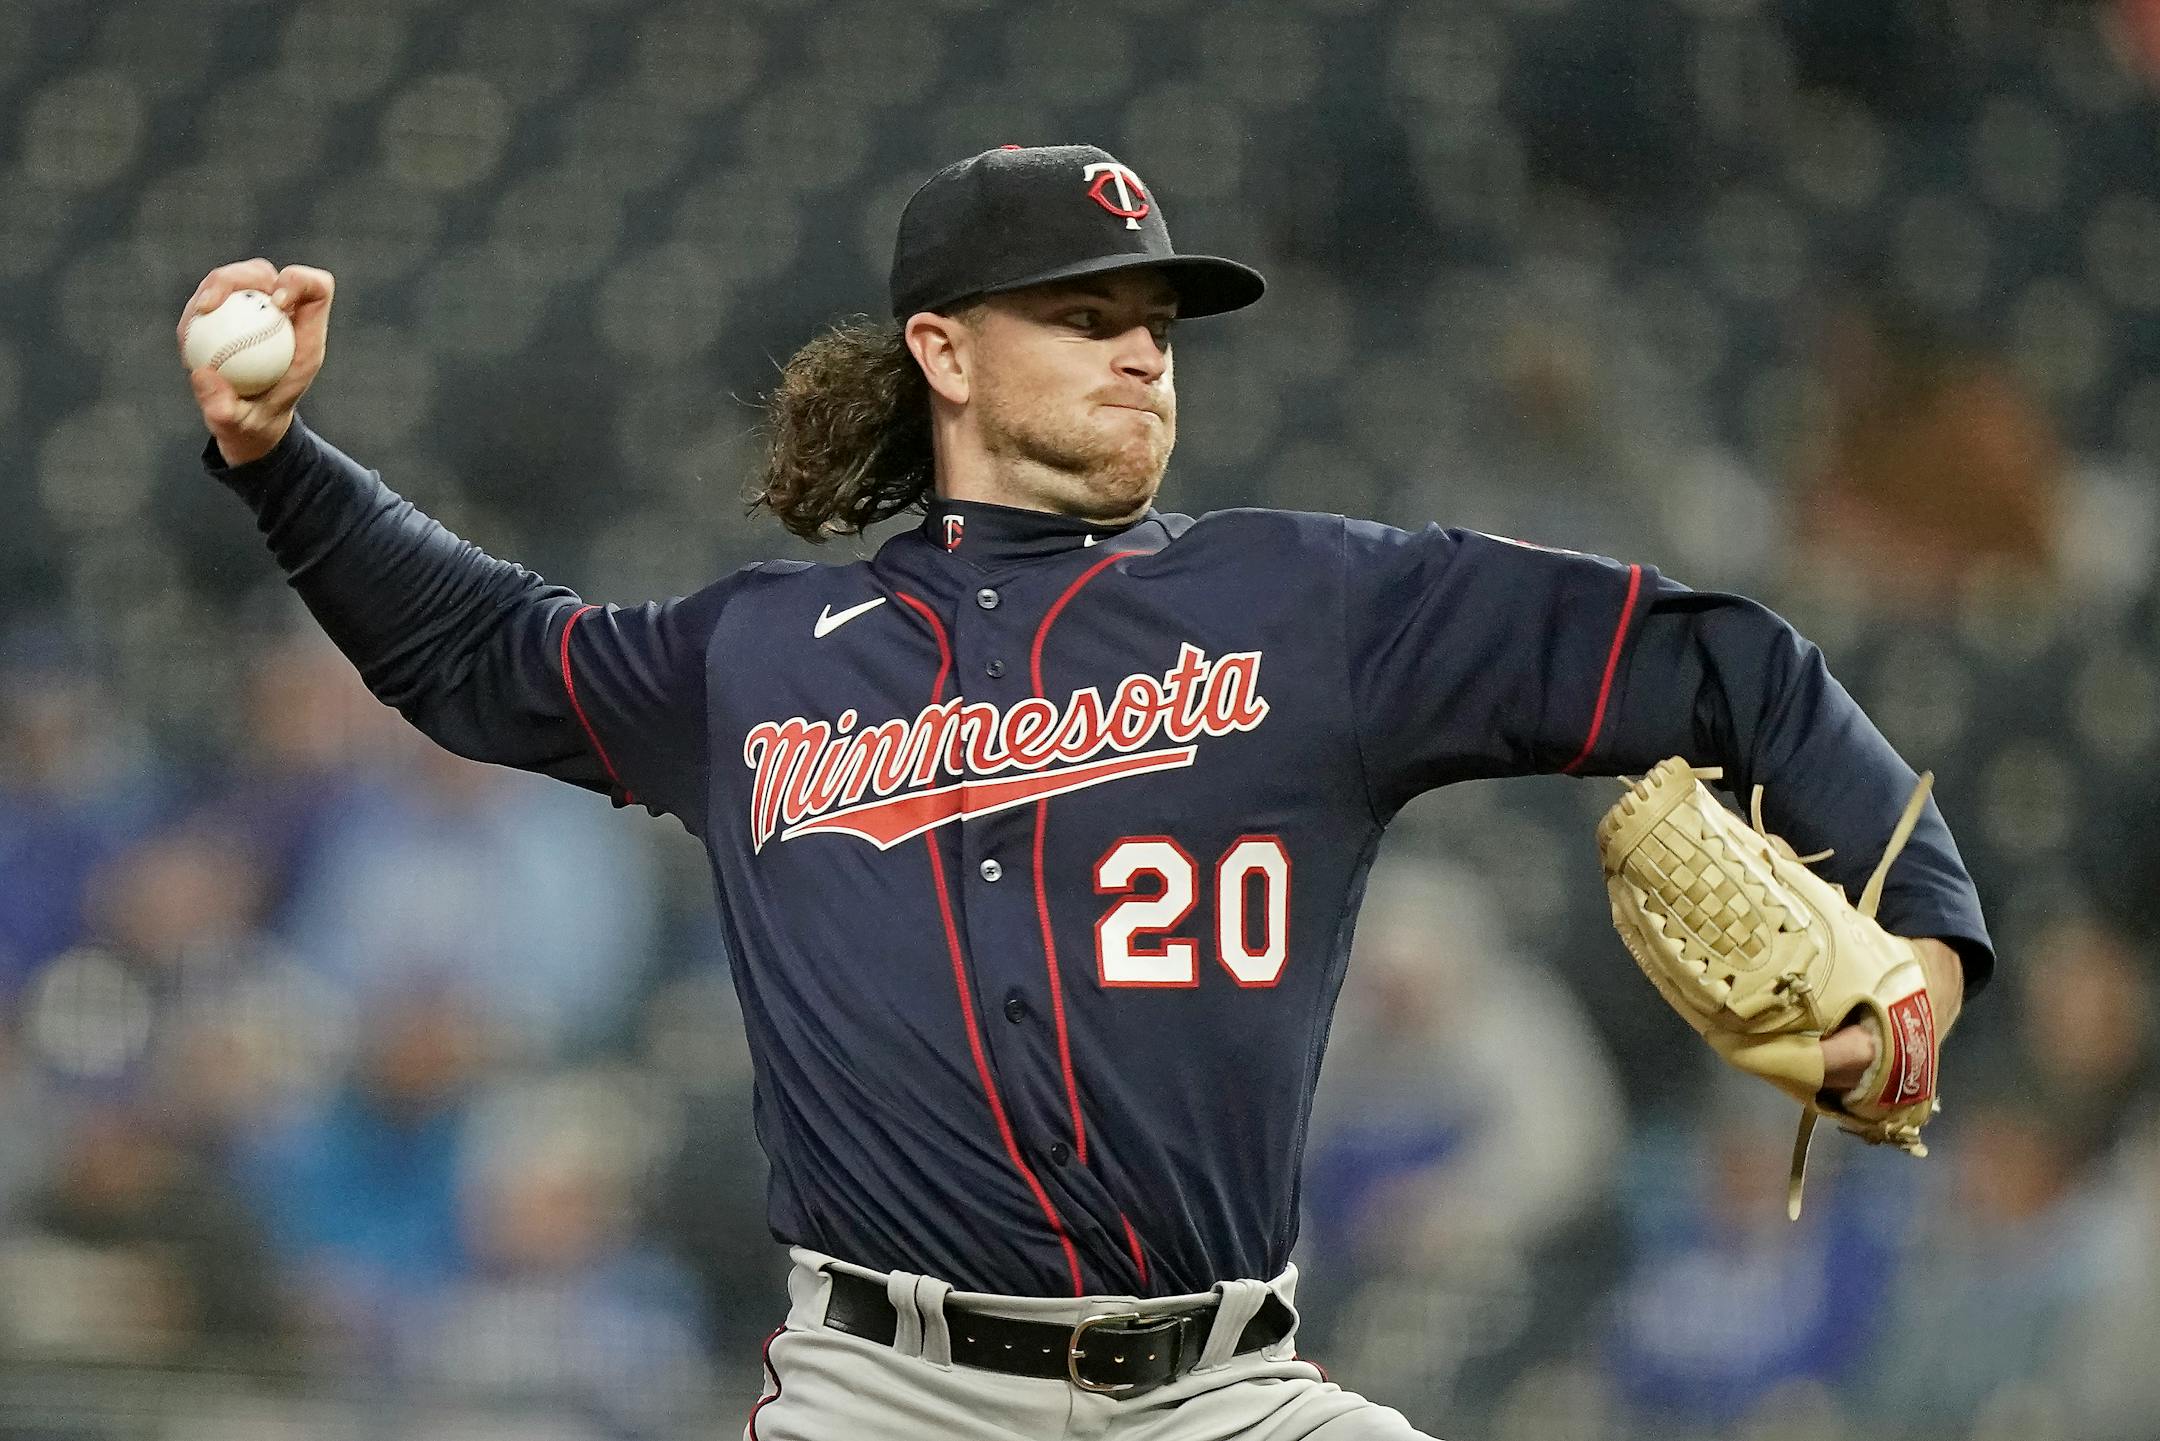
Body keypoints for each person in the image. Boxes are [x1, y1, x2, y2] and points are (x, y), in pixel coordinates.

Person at [179, 144, 1989, 1441]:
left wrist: (1925, 949)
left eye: (1157, 321)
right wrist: (275, 460)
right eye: (1082, 311)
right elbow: (489, 653)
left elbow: (1713, 656)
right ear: (944, 351)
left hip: (1229, 1390)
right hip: (884, 1392)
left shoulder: (1317, 603)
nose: (1142, 349)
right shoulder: (764, 659)